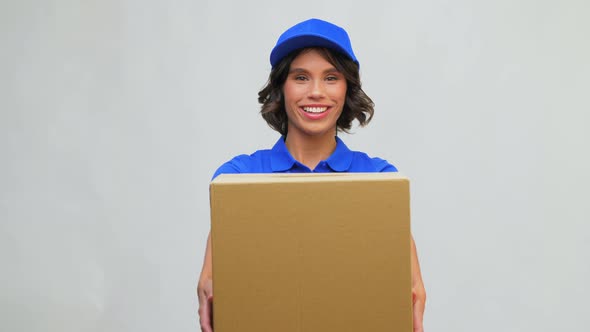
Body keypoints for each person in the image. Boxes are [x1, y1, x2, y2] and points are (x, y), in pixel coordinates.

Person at [197, 18, 426, 332]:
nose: (316, 92)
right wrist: (210, 283)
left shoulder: (380, 177)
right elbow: (216, 274)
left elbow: (409, 285)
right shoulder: (238, 176)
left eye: (331, 77)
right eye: (301, 77)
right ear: (281, 86)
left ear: (347, 89)